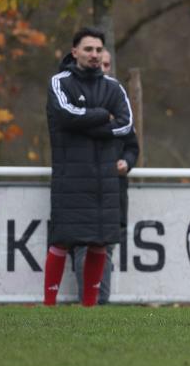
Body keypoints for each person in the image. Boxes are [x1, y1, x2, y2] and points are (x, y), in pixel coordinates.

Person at [44, 28, 133, 306]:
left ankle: (90, 306)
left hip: (103, 179)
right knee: (62, 240)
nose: (94, 55)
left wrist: (88, 127)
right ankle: (48, 303)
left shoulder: (114, 87)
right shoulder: (59, 82)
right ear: (75, 52)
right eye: (88, 49)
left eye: (98, 50)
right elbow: (64, 115)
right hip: (70, 176)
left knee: (99, 242)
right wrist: (101, 117)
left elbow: (126, 125)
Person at [72, 49, 139, 304]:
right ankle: (86, 301)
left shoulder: (119, 102)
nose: (103, 66)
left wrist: (127, 162)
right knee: (81, 244)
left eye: (107, 63)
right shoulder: (76, 100)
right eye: (100, 61)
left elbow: (132, 145)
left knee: (106, 245)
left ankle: (102, 303)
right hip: (85, 183)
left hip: (113, 186)